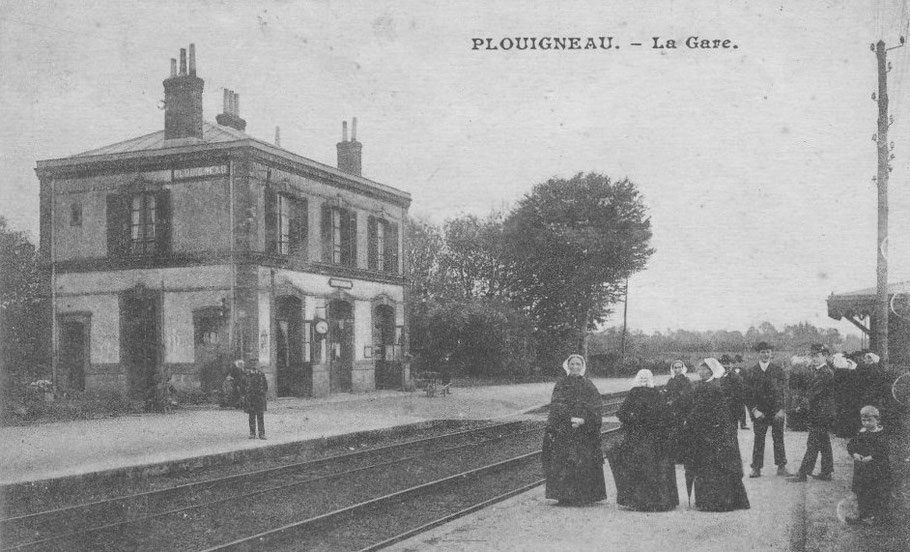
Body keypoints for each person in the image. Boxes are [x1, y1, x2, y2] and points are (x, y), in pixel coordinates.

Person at [681, 358, 750, 512]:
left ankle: (716, 501)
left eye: (704, 369)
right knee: (708, 467)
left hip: (713, 433)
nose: (701, 372)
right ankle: (709, 500)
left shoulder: (714, 387)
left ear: (711, 371)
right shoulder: (704, 386)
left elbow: (705, 410)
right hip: (706, 432)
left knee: (714, 467)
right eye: (700, 369)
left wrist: (690, 420)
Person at [542, 354, 607, 506]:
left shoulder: (589, 385)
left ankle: (584, 496)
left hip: (584, 431)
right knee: (565, 461)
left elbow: (596, 407)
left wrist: (583, 420)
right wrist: (569, 419)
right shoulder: (561, 384)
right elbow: (557, 405)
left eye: (578, 364)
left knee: (584, 460)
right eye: (572, 364)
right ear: (568, 366)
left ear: (582, 366)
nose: (575, 367)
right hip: (565, 430)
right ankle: (564, 496)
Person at [609, 369, 679, 511]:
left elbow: (622, 413)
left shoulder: (635, 393)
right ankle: (657, 500)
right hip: (653, 438)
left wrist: (634, 420)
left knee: (638, 467)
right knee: (655, 468)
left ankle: (638, 500)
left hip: (637, 437)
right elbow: (666, 416)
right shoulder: (655, 394)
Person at [742, 341, 790, 478]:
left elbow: (785, 392)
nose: (765, 354)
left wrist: (782, 410)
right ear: (758, 354)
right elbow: (747, 394)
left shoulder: (778, 371)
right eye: (762, 352)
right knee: (759, 439)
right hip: (760, 412)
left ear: (771, 353)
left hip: (776, 412)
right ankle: (756, 468)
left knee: (779, 439)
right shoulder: (751, 372)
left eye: (768, 352)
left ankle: (781, 466)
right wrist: (754, 410)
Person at [790, 344, 836, 482]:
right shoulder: (817, 371)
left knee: (813, 444)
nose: (814, 358)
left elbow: (814, 393)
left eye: (817, 356)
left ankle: (803, 473)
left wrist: (801, 406)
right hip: (820, 413)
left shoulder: (826, 373)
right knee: (823, 443)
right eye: (813, 355)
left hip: (821, 414)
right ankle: (827, 472)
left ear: (825, 356)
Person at [846, 406, 891, 526]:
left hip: (876, 470)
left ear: (877, 420)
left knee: (874, 492)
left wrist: (871, 457)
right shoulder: (861, 433)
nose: (866, 423)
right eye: (863, 420)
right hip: (862, 469)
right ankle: (863, 514)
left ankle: (874, 516)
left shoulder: (881, 434)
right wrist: (854, 453)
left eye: (869, 420)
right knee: (861, 491)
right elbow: (851, 445)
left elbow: (883, 451)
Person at [243, 361, 268, 440]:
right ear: (250, 365)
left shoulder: (261, 374)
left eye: (255, 363)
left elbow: (265, 386)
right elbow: (243, 385)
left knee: (260, 416)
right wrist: (246, 394)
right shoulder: (247, 375)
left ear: (257, 365)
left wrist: (262, 394)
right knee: (251, 416)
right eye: (252, 363)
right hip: (251, 398)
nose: (254, 365)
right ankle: (252, 433)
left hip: (259, 398)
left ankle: (262, 434)